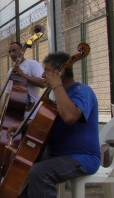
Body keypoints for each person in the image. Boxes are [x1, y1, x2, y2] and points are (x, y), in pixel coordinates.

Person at [18, 52, 101, 198]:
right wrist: (22, 126)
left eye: (47, 71)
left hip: (81, 157)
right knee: (21, 157)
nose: (43, 75)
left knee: (40, 172)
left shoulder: (82, 91)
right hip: (57, 154)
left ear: (60, 72)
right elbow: (51, 121)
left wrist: (57, 85)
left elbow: (69, 117)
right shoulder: (60, 94)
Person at [2, 41, 46, 135]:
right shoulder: (11, 70)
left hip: (31, 114)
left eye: (14, 50)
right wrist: (2, 110)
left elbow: (43, 83)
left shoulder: (32, 64)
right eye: (10, 52)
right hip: (15, 115)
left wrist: (23, 75)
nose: (12, 54)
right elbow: (7, 92)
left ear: (22, 50)